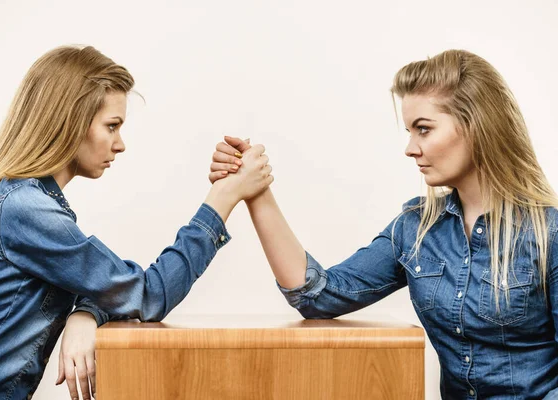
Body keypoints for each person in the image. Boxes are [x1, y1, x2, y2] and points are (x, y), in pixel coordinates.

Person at [211, 50, 558, 398]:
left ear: (477, 125)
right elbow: (316, 295)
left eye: (423, 129)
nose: (410, 148)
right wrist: (255, 190)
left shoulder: (550, 233)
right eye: (410, 131)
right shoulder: (416, 229)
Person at [0, 45, 273, 400]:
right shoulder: (25, 211)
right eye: (112, 126)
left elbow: (108, 287)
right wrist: (223, 198)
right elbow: (149, 294)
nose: (120, 144)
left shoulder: (25, 204)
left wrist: (86, 314)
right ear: (70, 122)